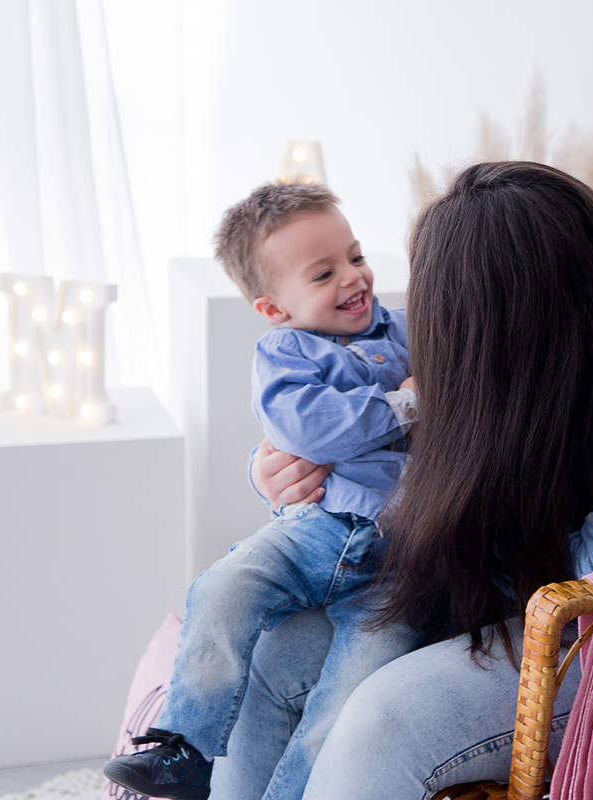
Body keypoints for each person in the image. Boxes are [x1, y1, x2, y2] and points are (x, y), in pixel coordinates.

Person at [210, 161, 593, 799]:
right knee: (277, 651)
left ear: (529, 323)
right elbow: (390, 425)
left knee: (381, 720)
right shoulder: (521, 314)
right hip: (506, 572)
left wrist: (464, 505)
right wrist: (284, 471)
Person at [104, 182, 420, 800]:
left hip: (403, 551)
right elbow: (310, 428)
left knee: (348, 695)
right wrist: (407, 404)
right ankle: (185, 749)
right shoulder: (284, 352)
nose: (354, 279)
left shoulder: (410, 330)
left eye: (355, 257)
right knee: (224, 585)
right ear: (274, 308)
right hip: (318, 529)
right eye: (325, 272)